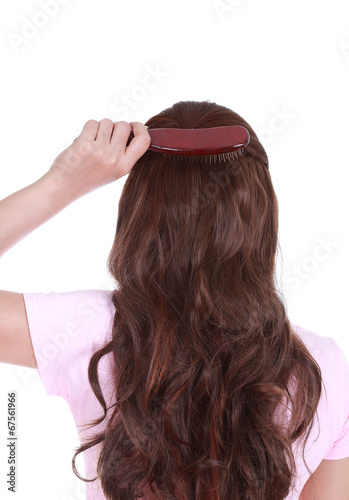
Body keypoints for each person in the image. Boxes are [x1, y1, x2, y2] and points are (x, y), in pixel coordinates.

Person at [0, 100, 348, 500]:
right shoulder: (323, 367)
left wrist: (64, 181)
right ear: (261, 220)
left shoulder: (88, 329)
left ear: (138, 216)